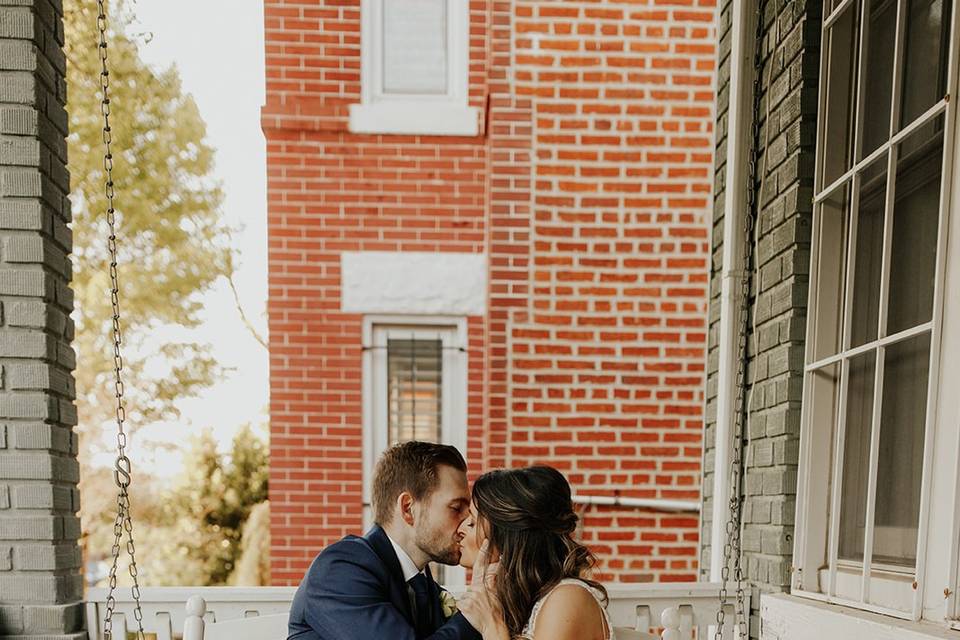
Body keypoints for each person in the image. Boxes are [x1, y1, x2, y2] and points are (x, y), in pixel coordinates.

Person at [288, 441, 487, 640]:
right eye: (456, 508)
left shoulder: (424, 588)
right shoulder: (339, 571)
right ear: (408, 508)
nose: (467, 522)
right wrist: (472, 615)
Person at [456, 466, 612, 640]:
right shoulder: (511, 601)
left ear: (506, 537)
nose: (460, 529)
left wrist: (493, 625)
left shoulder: (567, 599)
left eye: (472, 522)